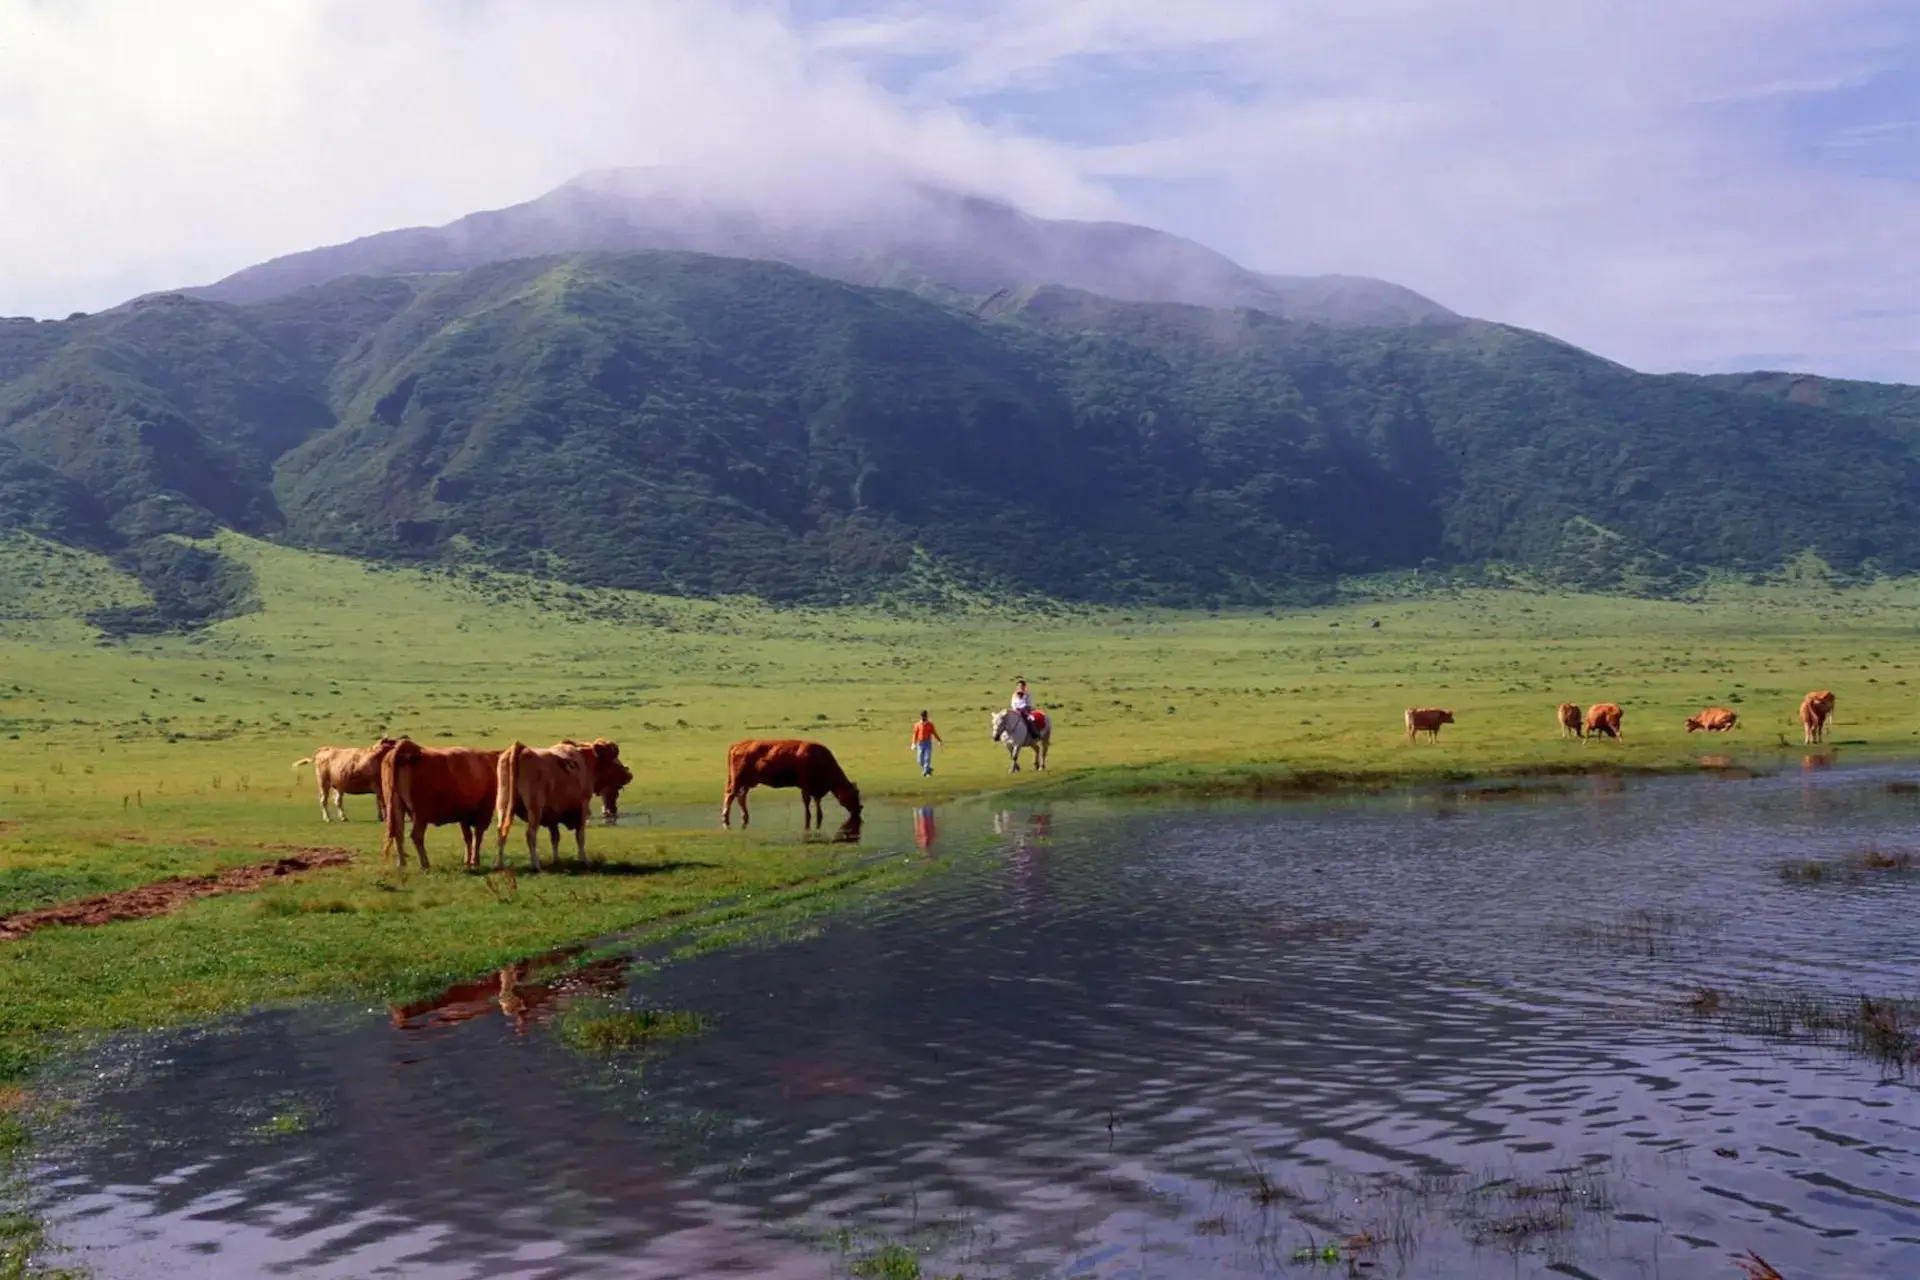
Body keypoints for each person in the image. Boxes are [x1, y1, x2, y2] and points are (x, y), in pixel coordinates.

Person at [910, 710, 943, 776]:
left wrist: (939, 740)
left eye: (924, 716)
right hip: (920, 743)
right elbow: (915, 734)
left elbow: (934, 733)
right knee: (919, 760)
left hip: (928, 742)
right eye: (922, 716)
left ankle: (925, 772)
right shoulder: (917, 725)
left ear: (926, 716)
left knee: (927, 758)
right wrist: (913, 743)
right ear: (920, 716)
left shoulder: (930, 724)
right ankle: (928, 769)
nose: (923, 717)